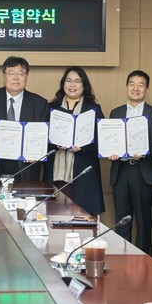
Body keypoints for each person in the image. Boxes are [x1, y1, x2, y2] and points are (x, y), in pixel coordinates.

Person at [108, 70, 152, 255]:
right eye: (132, 84)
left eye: (141, 85)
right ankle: (122, 258)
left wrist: (147, 152)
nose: (136, 88)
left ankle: (144, 260)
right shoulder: (115, 113)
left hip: (143, 170)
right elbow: (109, 140)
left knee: (143, 218)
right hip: (121, 170)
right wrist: (110, 152)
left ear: (147, 89)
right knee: (122, 219)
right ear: (126, 87)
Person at [0, 56, 49, 186]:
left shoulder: (40, 103)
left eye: (20, 73)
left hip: (25, 169)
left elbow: (45, 135)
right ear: (4, 75)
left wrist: (35, 151)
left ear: (26, 76)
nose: (16, 77)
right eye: (11, 73)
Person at [45, 66, 105, 216]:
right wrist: (54, 143)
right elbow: (40, 139)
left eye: (77, 81)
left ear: (84, 85)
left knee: (81, 221)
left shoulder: (93, 109)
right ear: (63, 84)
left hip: (83, 176)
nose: (72, 85)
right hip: (56, 174)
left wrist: (83, 147)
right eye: (69, 80)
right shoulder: (51, 108)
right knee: (55, 219)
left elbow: (102, 141)